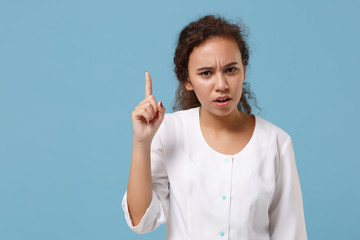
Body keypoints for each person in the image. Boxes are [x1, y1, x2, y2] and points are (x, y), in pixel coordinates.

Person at [122, 15, 307, 239]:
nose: (221, 85)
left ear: (244, 70)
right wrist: (141, 143)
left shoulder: (276, 142)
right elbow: (142, 220)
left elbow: (290, 232)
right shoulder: (169, 131)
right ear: (187, 80)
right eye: (206, 73)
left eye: (231, 70)